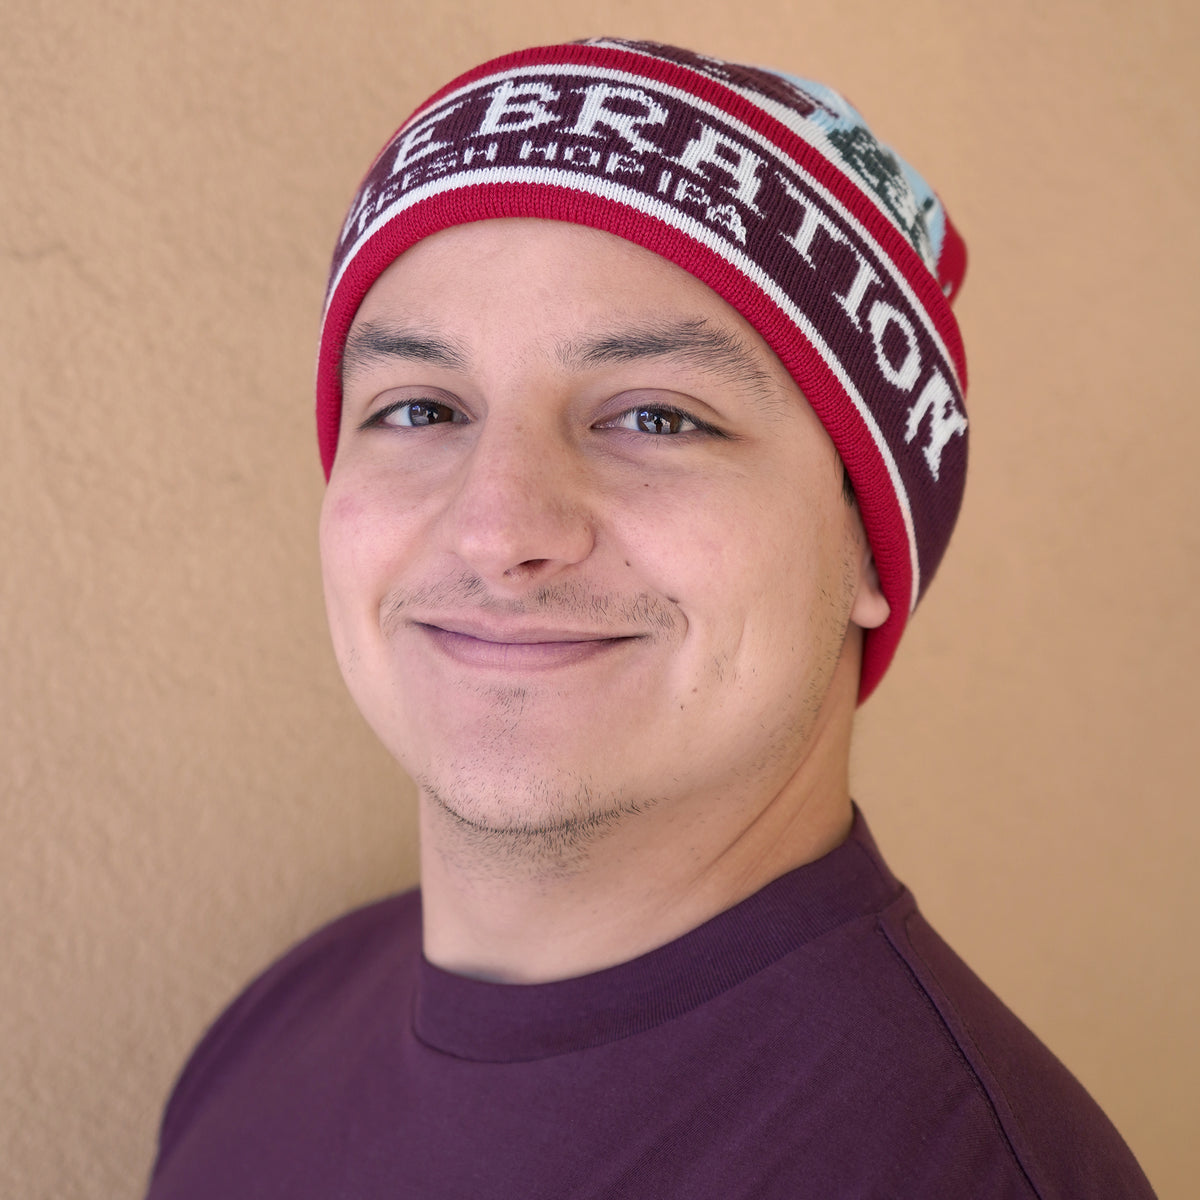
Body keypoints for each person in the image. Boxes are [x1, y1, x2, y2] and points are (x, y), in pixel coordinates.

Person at [144, 38, 1154, 1198]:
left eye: (658, 419)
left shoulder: (956, 1169)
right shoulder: (268, 1040)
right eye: (420, 407)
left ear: (871, 540)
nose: (498, 526)